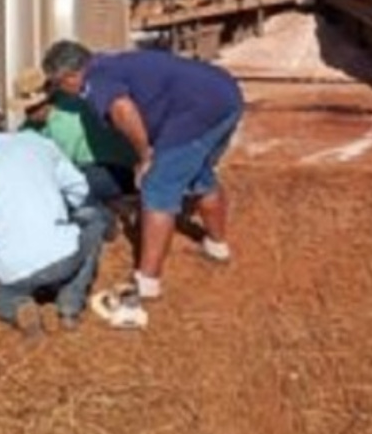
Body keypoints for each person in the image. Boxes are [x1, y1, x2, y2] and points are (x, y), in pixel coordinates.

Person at [42, 41, 244, 301]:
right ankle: (217, 246)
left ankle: (146, 282)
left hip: (195, 110)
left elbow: (123, 109)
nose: (60, 90)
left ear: (71, 76)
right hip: (225, 95)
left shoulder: (95, 81)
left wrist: (145, 155)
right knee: (197, 173)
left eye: (58, 84)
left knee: (156, 188)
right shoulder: (106, 61)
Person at [0, 97, 114, 337]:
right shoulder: (38, 143)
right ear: (1, 124)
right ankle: (69, 305)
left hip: (13, 271)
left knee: (3, 292)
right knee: (94, 222)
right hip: (64, 257)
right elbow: (79, 189)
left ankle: (18, 307)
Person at [11, 67, 138, 205]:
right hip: (97, 169)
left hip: (109, 171)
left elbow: (63, 164)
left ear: (44, 104)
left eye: (31, 109)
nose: (28, 114)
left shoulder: (65, 117)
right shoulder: (37, 123)